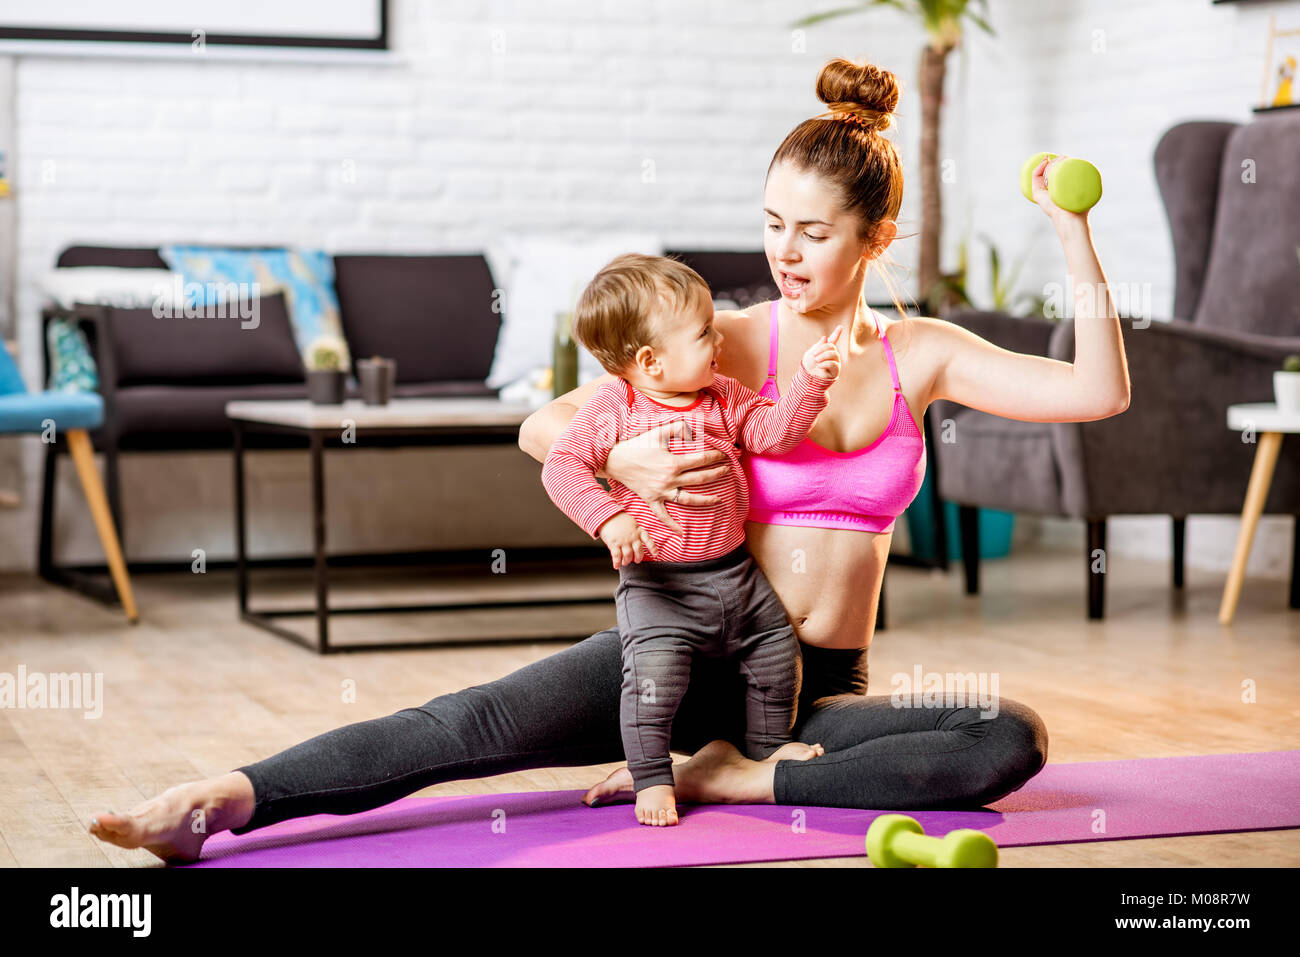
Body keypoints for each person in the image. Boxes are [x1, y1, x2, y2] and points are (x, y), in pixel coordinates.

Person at [89, 56, 1127, 865]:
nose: (785, 252)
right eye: (772, 225)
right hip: (677, 639)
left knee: (1004, 737)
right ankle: (219, 799)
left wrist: (1074, 236)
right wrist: (624, 462)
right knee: (469, 724)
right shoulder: (724, 338)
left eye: (812, 232)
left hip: (820, 691)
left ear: (876, 237)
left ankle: (741, 780)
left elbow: (1095, 393)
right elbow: (544, 428)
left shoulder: (923, 354)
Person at [541, 252, 843, 825]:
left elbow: (774, 436)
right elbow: (560, 468)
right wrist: (608, 518)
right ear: (650, 362)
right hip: (659, 587)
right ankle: (652, 776)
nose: (719, 341)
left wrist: (809, 383)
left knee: (778, 657)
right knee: (654, 680)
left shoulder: (725, 397)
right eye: (705, 332)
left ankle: (762, 751)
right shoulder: (615, 408)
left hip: (736, 574)